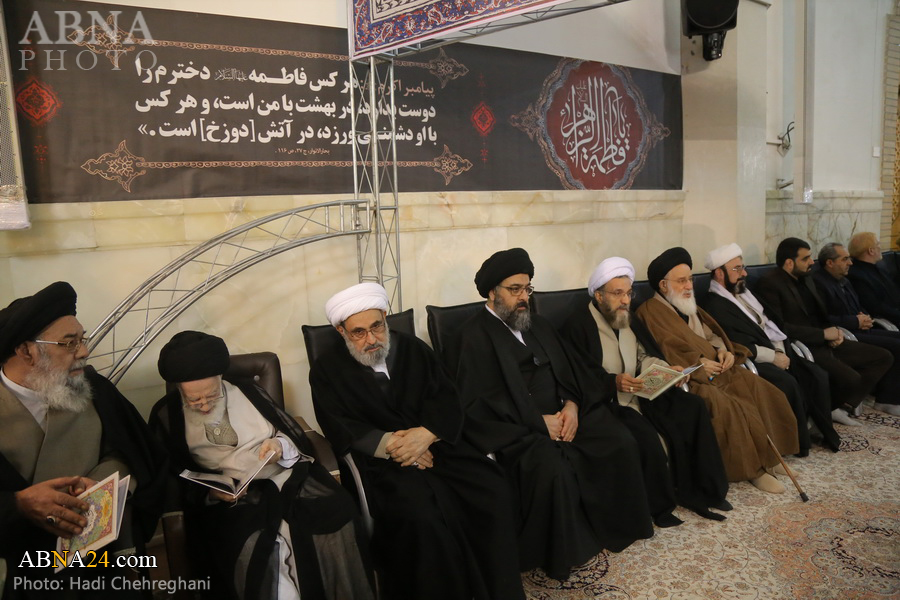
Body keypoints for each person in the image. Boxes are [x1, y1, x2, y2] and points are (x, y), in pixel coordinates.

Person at [308, 283, 525, 600]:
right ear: (341, 331)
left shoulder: (413, 348)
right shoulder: (327, 370)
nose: (371, 339)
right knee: (422, 516)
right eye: (358, 333)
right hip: (382, 463)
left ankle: (495, 590)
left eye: (376, 327)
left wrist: (426, 434)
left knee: (491, 489)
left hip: (439, 447)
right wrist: (392, 445)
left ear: (385, 317)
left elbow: (448, 396)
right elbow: (338, 423)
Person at [456, 248, 655, 582]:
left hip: (564, 414)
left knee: (618, 440)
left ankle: (614, 528)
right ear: (492, 292)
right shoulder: (471, 337)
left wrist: (572, 406)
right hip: (518, 430)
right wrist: (537, 423)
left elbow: (571, 372)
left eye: (527, 288)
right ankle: (566, 552)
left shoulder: (539, 325)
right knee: (553, 468)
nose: (524, 297)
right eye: (515, 289)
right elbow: (476, 405)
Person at [150, 331, 374, 600]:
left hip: (283, 476)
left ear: (220, 379)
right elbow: (170, 475)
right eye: (194, 400)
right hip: (231, 500)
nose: (205, 406)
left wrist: (279, 445)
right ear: (179, 389)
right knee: (251, 545)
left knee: (337, 512)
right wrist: (210, 493)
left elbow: (292, 434)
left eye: (211, 396)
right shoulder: (166, 414)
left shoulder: (248, 391)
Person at [0, 282, 166, 598]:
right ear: (26, 351)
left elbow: (141, 454)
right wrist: (19, 504)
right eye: (69, 343)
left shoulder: (94, 387)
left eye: (82, 339)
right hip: (26, 571)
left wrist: (104, 481)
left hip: (106, 564)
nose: (84, 351)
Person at [559, 257, 731, 521]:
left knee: (692, 407)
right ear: (599, 295)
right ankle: (660, 507)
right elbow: (576, 375)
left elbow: (644, 355)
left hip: (642, 392)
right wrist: (613, 382)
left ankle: (704, 491)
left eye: (629, 293)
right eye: (618, 293)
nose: (625, 301)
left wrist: (666, 370)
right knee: (645, 435)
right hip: (608, 402)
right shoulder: (577, 325)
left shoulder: (628, 318)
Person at [635, 247, 799, 494]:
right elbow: (666, 350)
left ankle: (771, 456)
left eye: (690, 279)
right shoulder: (650, 312)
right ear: (663, 285)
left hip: (718, 369)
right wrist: (698, 364)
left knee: (762, 389)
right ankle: (752, 470)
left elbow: (711, 335)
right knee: (729, 407)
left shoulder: (688, 305)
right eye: (681, 281)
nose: (688, 286)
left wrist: (723, 351)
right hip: (693, 379)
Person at [700, 243, 840, 453]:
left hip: (777, 349)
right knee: (788, 383)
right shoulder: (714, 304)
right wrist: (773, 357)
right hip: (753, 359)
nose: (744, 273)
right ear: (719, 274)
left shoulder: (744, 293)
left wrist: (780, 350)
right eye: (737, 269)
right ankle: (796, 441)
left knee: (817, 374)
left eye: (743, 267)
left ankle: (818, 428)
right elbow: (736, 342)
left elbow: (770, 324)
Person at [755, 238, 892, 426]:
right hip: (802, 345)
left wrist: (835, 332)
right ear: (789, 263)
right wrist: (823, 335)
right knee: (850, 378)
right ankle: (827, 409)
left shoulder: (807, 278)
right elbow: (780, 327)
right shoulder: (770, 283)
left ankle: (839, 405)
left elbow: (821, 315)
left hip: (824, 339)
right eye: (805, 259)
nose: (812, 262)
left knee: (882, 357)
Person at [812, 242, 900, 416]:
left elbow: (858, 305)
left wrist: (865, 317)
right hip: (845, 333)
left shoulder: (844, 280)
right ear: (830, 262)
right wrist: (855, 321)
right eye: (845, 259)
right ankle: (886, 400)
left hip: (860, 328)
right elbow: (824, 318)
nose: (850, 263)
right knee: (897, 346)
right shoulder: (818, 283)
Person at [846, 232, 900, 325]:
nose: (881, 247)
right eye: (878, 244)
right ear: (871, 251)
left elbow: (893, 291)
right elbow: (876, 307)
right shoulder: (856, 275)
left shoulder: (877, 267)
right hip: (889, 320)